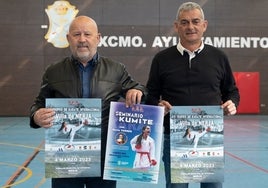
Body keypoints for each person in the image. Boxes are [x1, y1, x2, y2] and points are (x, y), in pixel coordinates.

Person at [29, 16, 146, 188]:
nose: (82, 39)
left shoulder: (116, 69)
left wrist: (138, 91)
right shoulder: (53, 71)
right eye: (76, 34)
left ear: (98, 38)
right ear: (68, 39)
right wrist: (36, 116)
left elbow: (140, 90)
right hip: (65, 161)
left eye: (87, 34)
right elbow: (38, 104)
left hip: (104, 158)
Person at [145, 2, 240, 188]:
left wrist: (232, 103)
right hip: (173, 137)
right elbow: (151, 95)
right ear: (176, 26)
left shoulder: (219, 57)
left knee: (212, 187)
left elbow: (232, 91)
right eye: (185, 22)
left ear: (204, 25)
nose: (190, 27)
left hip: (210, 136)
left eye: (195, 21)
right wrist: (158, 106)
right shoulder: (161, 59)